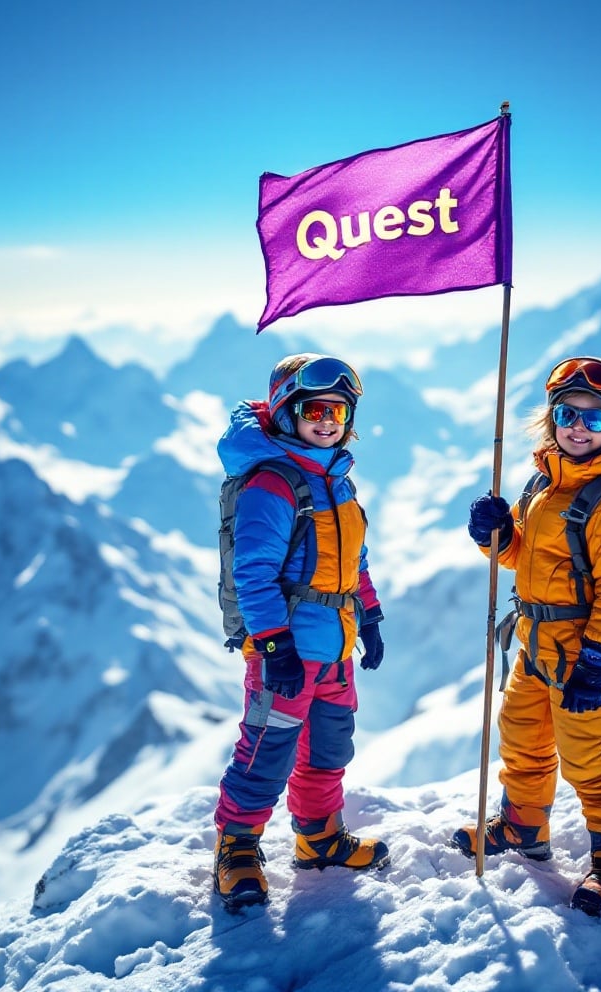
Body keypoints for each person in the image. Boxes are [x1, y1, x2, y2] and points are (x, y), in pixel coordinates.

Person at [452, 357, 601, 917]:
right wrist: (497, 538)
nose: (578, 426)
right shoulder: (546, 484)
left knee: (589, 756)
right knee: (522, 735)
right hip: (536, 642)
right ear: (551, 418)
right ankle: (524, 826)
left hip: (586, 652)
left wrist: (597, 662)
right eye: (567, 414)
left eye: (595, 420)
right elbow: (528, 562)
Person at [213, 353, 389, 911]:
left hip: (334, 648)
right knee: (266, 750)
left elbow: (353, 561)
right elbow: (253, 571)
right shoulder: (273, 483)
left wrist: (372, 614)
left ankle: (319, 838)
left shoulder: (335, 481)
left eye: (339, 410)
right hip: (287, 653)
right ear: (288, 412)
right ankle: (236, 849)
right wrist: (273, 644)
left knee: (328, 750)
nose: (327, 420)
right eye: (314, 408)